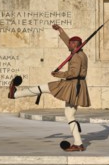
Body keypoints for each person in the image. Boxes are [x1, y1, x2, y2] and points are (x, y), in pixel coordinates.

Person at [8, 24, 91, 152]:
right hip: (76, 85)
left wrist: (58, 74)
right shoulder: (80, 53)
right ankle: (78, 144)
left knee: (45, 87)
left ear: (75, 44)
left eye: (70, 44)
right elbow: (69, 43)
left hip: (72, 85)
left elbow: (73, 73)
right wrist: (61, 31)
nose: (68, 46)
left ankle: (15, 94)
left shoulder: (76, 57)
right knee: (69, 114)